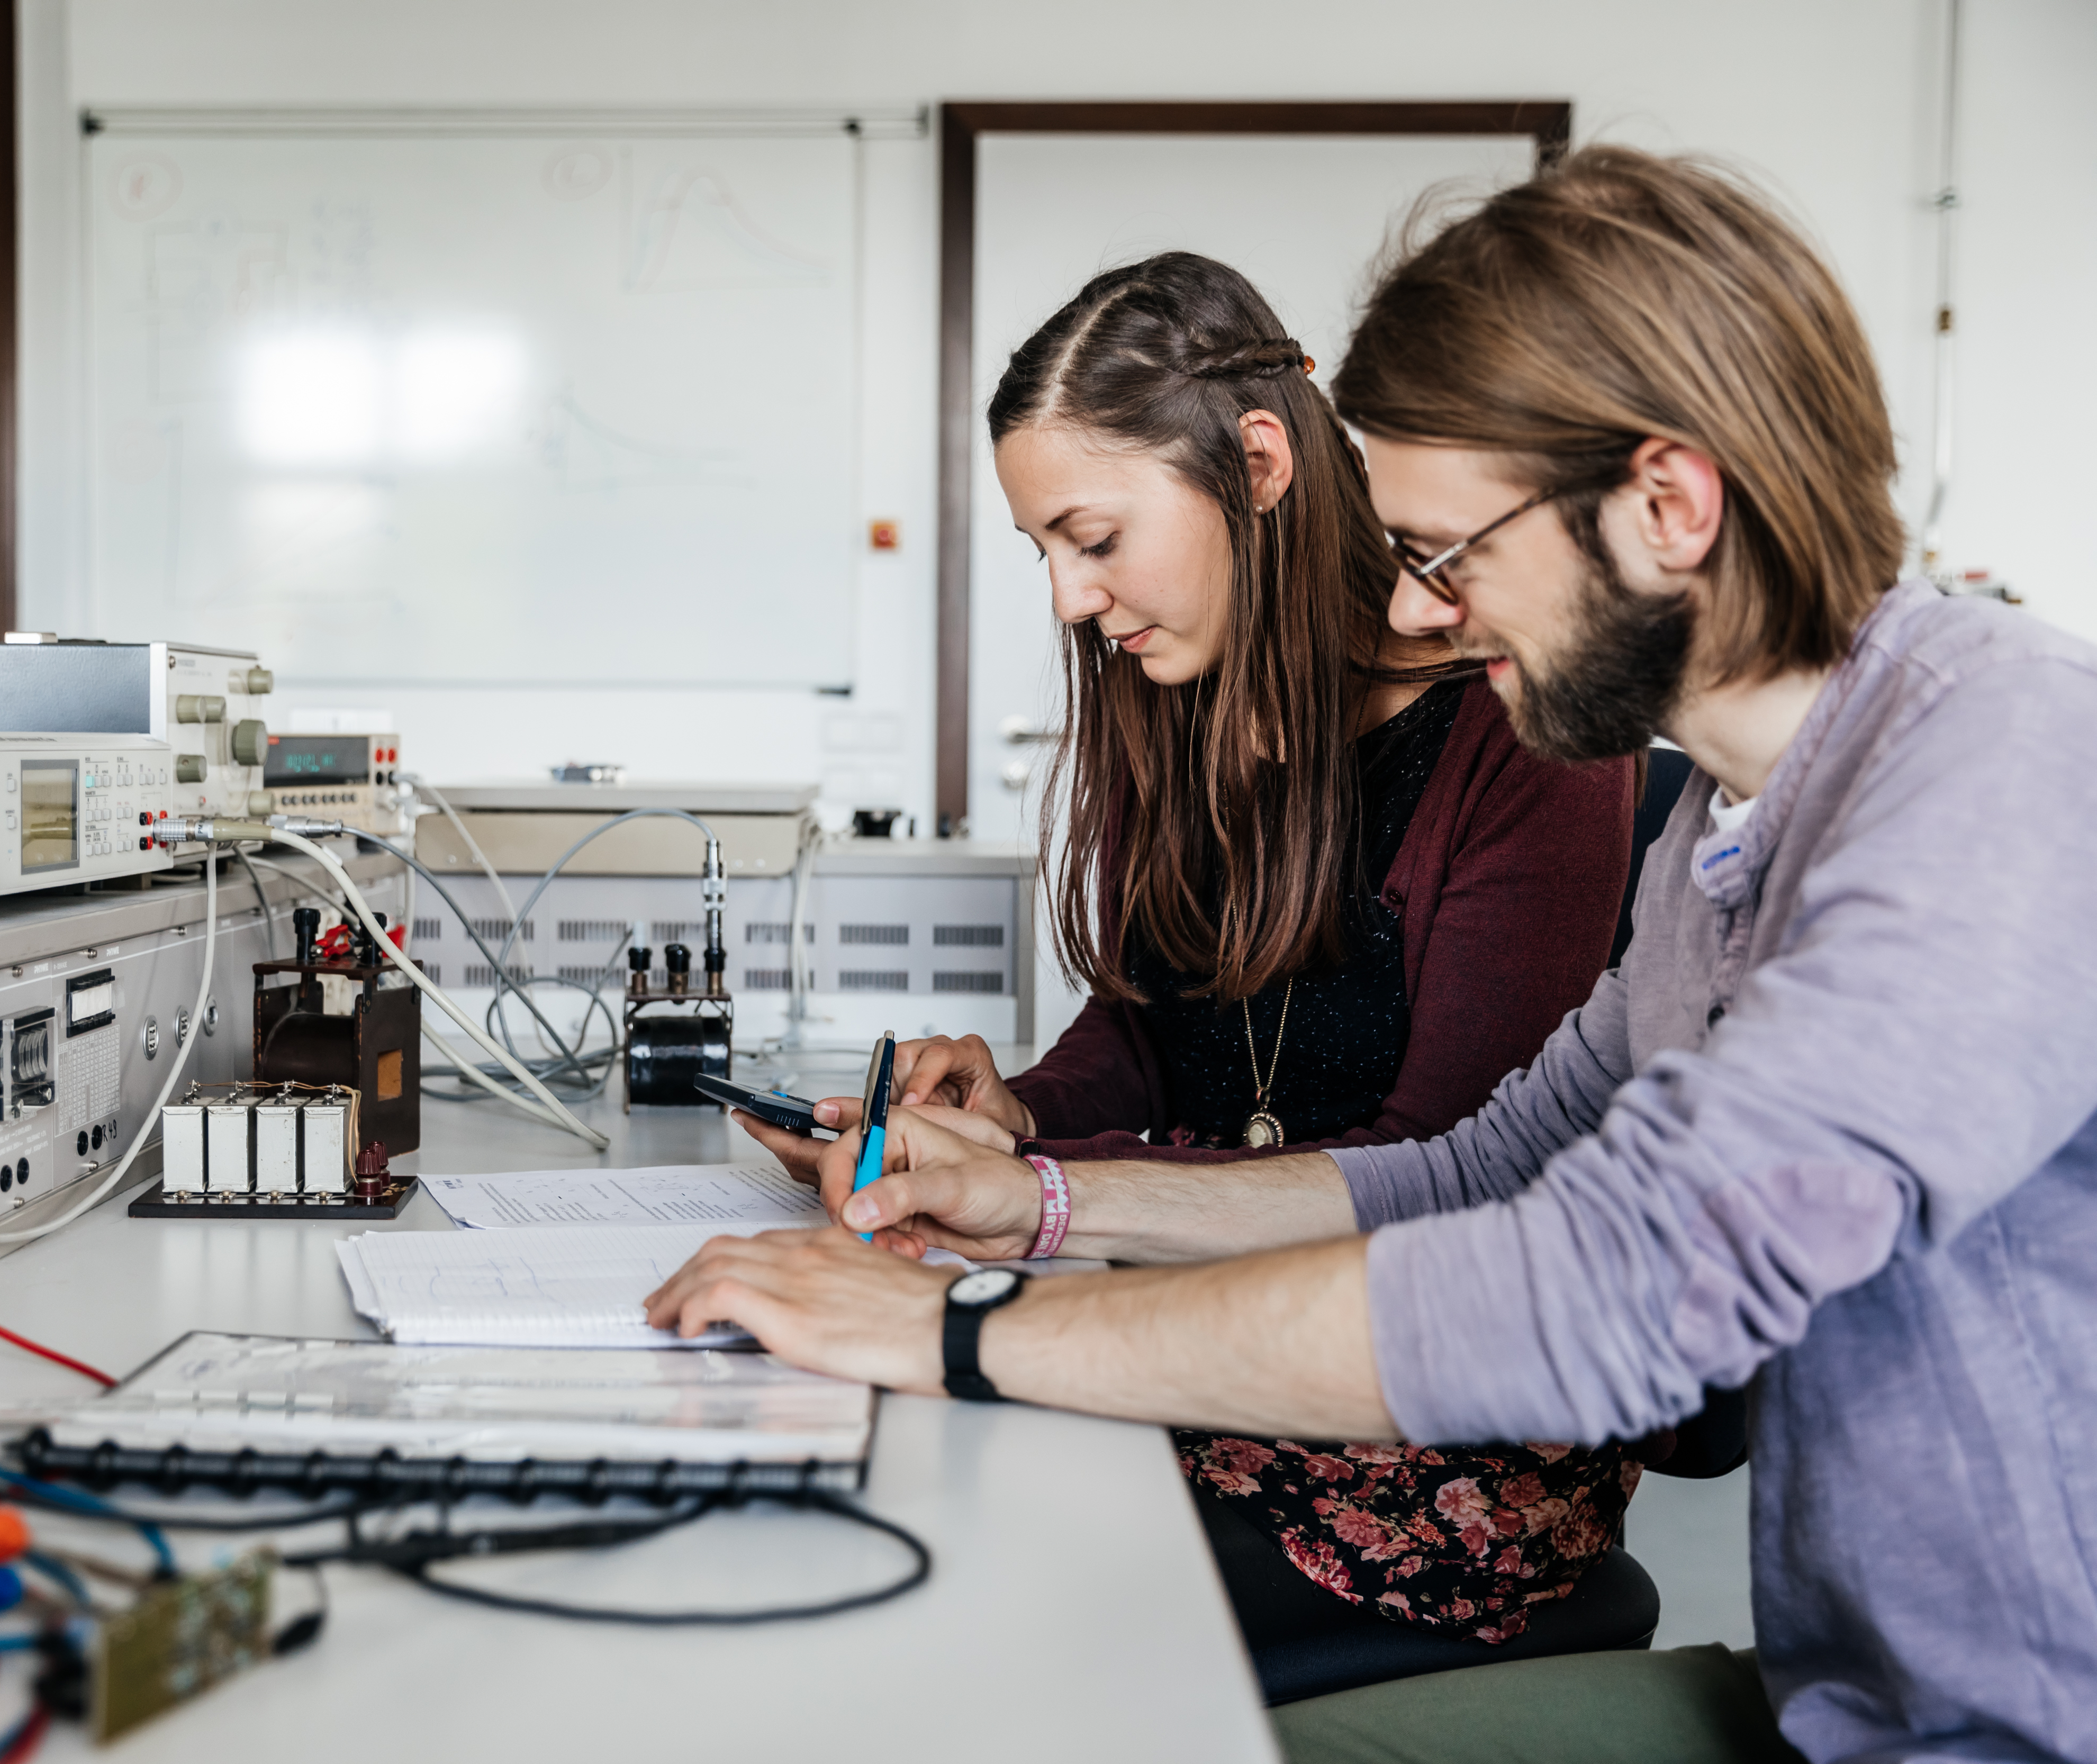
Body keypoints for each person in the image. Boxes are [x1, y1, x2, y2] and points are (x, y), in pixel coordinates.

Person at [653, 143, 2097, 1763]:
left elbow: (1609, 1274)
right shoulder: (1724, 842)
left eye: (1449, 552)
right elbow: (1484, 1171)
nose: (1428, 612)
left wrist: (953, 1334)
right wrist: (1037, 1197)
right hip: (1839, 1704)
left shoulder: (2010, 759)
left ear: (1668, 506)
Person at [745, 251, 1641, 1675]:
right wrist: (1011, 1116)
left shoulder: (1521, 735)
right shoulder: (1190, 693)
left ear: (1260, 465)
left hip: (1418, 1422)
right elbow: (1161, 1026)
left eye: (1091, 536)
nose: (1067, 597)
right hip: (1182, 1323)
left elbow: (1445, 1177)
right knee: (857, 1475)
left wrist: (1033, 1202)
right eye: (1045, 551)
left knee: (942, 1583)